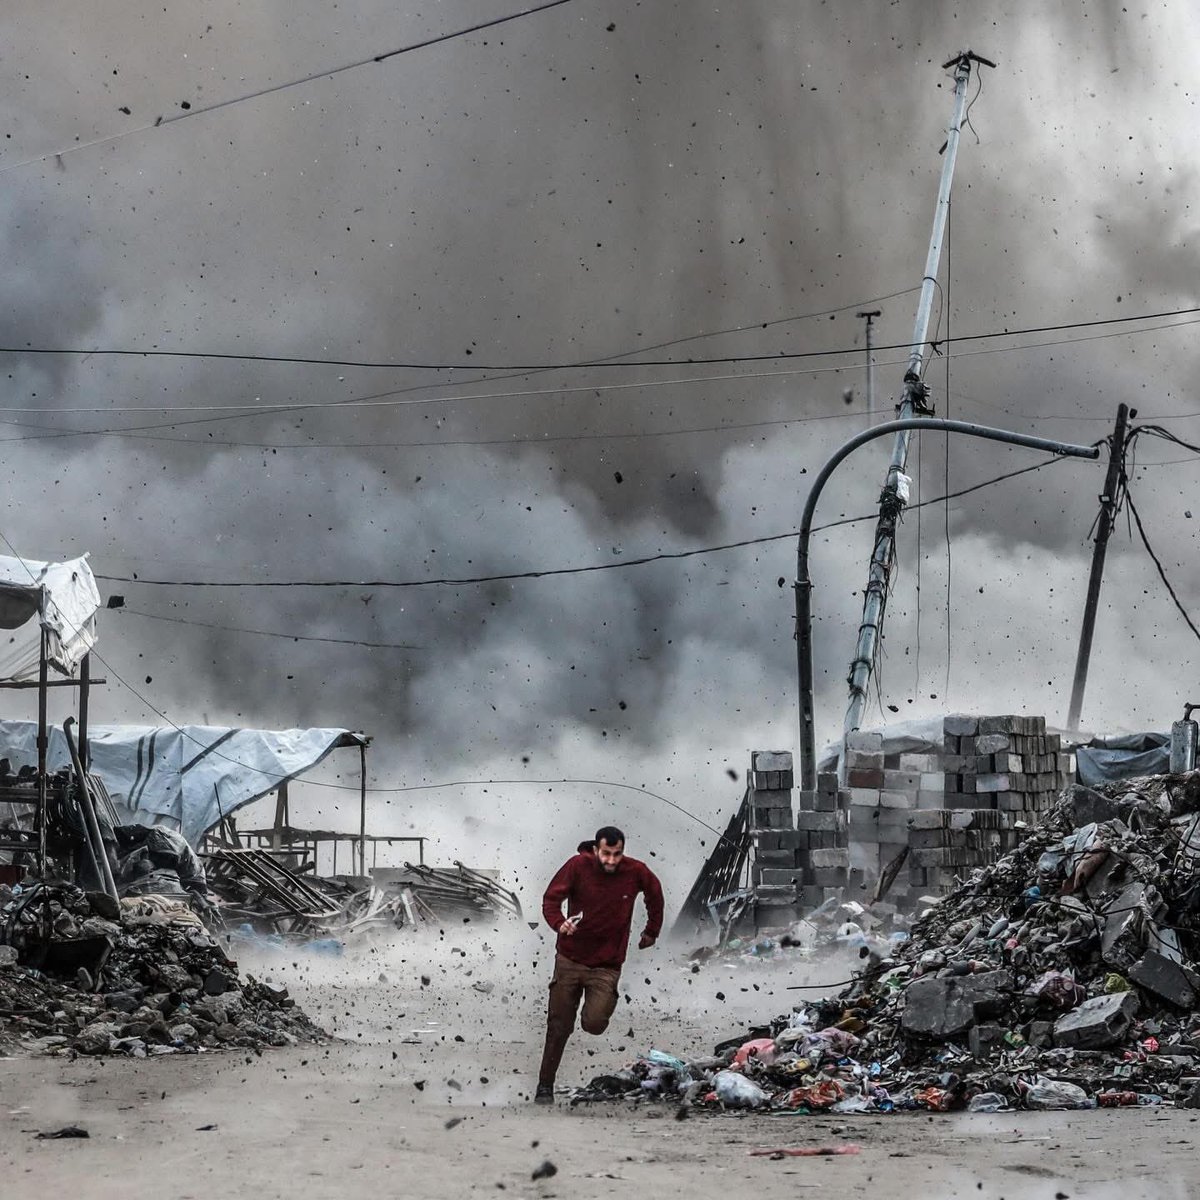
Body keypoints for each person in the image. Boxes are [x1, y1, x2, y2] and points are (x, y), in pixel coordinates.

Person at [535, 825, 664, 1103]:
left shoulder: (636, 871)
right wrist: (560, 924)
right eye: (606, 854)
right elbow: (551, 899)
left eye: (617, 854)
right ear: (596, 849)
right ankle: (545, 1086)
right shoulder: (577, 866)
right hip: (570, 959)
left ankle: (592, 1014)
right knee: (558, 1027)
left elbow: (655, 894)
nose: (611, 860)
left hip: (607, 964)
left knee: (594, 1023)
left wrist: (651, 930)